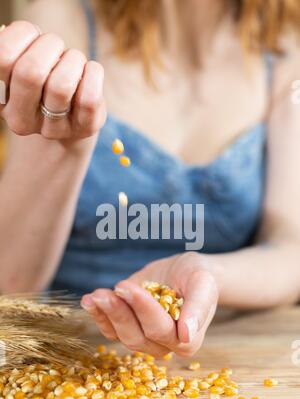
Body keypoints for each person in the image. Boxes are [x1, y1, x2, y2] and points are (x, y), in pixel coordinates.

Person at [0, 0, 300, 357]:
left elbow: (288, 248)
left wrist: (208, 273)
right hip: (67, 354)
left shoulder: (285, 45)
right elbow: (10, 286)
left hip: (221, 358)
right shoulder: (63, 17)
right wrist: (64, 147)